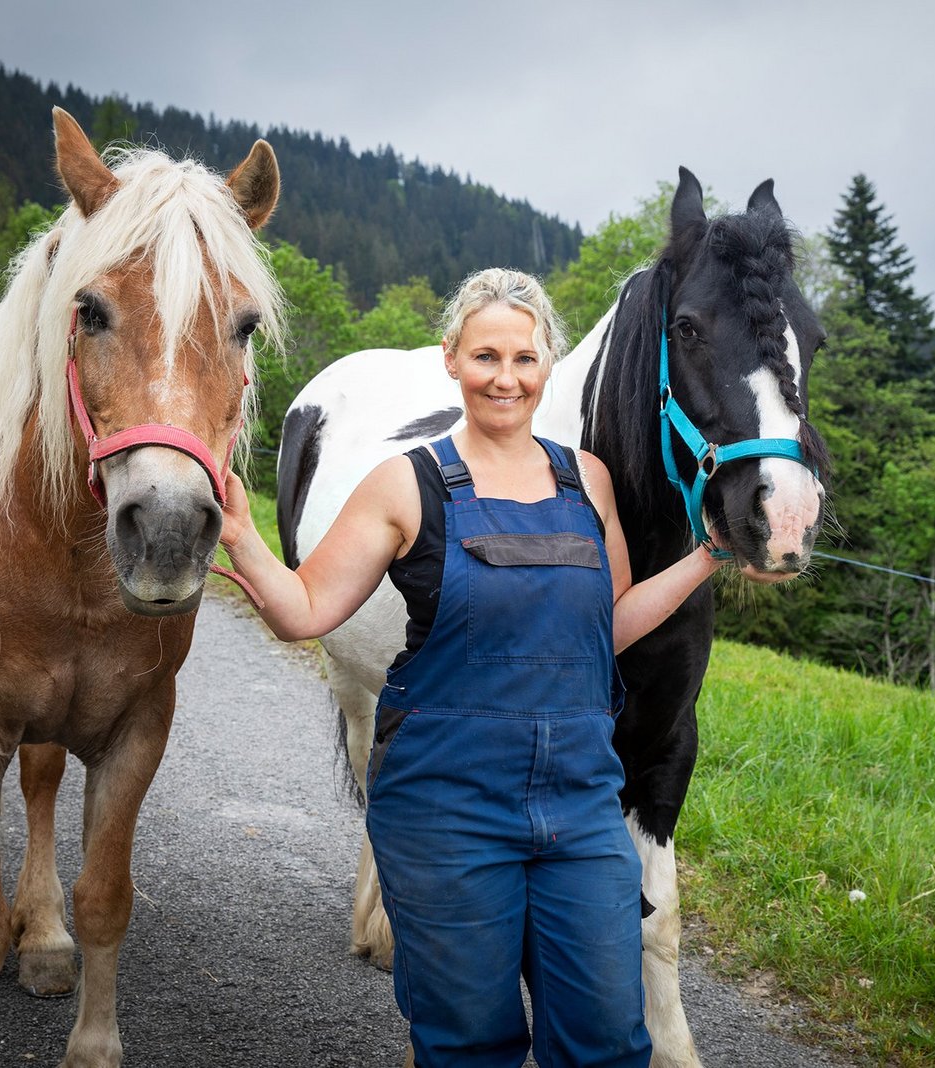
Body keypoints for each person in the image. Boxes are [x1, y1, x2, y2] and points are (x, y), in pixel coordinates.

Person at [219, 267, 723, 1067]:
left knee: (605, 1038)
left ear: (548, 362)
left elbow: (610, 626)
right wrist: (240, 535)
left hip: (580, 810)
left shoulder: (587, 481)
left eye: (524, 358)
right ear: (450, 357)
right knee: (469, 1046)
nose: (505, 378)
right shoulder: (404, 484)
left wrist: (706, 556)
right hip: (448, 811)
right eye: (486, 356)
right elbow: (304, 609)